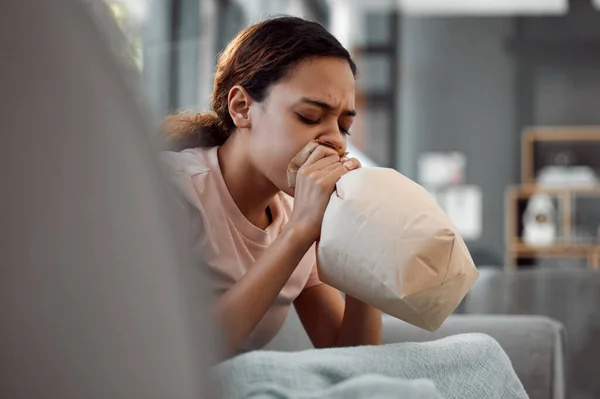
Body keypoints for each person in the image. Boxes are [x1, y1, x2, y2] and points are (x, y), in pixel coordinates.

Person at [160, 16, 382, 356]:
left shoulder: (297, 213)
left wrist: (364, 257)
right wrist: (299, 231)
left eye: (344, 126)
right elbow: (182, 353)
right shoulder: (173, 192)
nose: (335, 141)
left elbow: (351, 361)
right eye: (309, 116)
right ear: (242, 108)